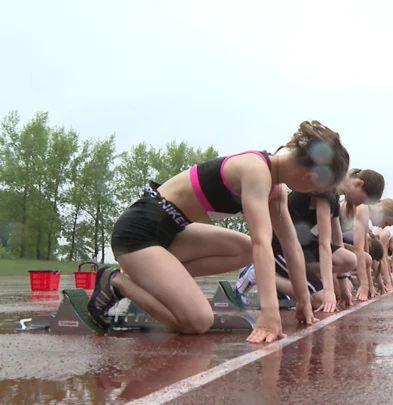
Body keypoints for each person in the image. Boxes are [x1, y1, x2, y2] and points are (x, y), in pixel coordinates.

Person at [87, 120, 350, 343]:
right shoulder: (256, 170)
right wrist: (270, 313)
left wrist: (304, 300)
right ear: (311, 178)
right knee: (198, 321)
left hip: (173, 233)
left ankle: (158, 281)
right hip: (137, 234)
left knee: (244, 248)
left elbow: (290, 243)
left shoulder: (276, 189)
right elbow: (263, 242)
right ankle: (116, 281)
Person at [234, 168, 385, 312]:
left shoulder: (335, 194)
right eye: (363, 200)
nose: (360, 205)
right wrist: (328, 291)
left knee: (349, 260)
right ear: (358, 184)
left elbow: (337, 239)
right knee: (319, 301)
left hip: (300, 244)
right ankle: (256, 272)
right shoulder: (326, 190)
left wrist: (344, 286)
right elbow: (324, 244)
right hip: (280, 244)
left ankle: (288, 277)